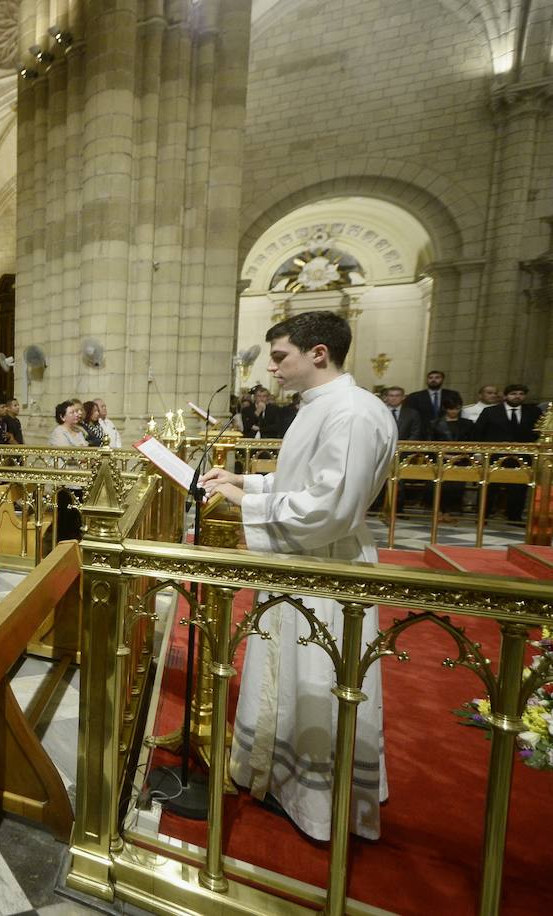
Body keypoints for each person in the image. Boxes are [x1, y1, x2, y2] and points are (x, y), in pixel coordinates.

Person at [201, 309, 395, 842]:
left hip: (326, 570)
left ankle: (316, 799)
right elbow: (305, 481)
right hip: (304, 562)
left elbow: (329, 506)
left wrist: (243, 500)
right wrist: (247, 480)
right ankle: (278, 776)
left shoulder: (352, 413)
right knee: (287, 674)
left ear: (318, 354)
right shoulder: (323, 407)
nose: (272, 368)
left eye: (280, 356)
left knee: (315, 678)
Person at [474, 383, 544, 523]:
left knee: (518, 488)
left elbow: (539, 433)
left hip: (523, 455)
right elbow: (478, 433)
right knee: (489, 486)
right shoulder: (491, 411)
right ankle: (483, 516)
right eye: (513, 393)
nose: (517, 396)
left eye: (521, 394)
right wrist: (478, 453)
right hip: (495, 455)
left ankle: (514, 517)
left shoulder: (533, 412)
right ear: (505, 396)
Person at [429, 393, 475, 523]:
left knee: (456, 487)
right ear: (445, 408)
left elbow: (472, 443)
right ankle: (438, 512)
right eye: (451, 408)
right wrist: (445, 455)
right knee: (440, 486)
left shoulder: (468, 424)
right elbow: (430, 443)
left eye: (456, 408)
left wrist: (461, 455)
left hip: (461, 460)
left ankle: (449, 512)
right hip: (441, 459)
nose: (454, 411)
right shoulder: (435, 424)